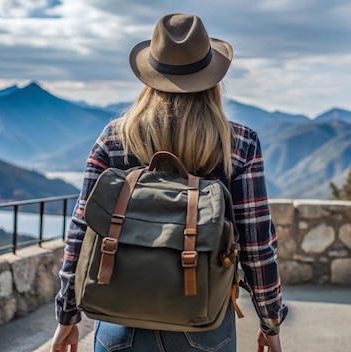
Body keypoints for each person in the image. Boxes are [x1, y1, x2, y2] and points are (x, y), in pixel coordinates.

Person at [50, 13, 287, 352]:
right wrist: (271, 322)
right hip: (204, 320)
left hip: (119, 317)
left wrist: (66, 317)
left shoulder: (115, 139)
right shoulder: (239, 144)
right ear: (213, 81)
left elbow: (80, 233)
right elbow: (257, 245)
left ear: (150, 77)